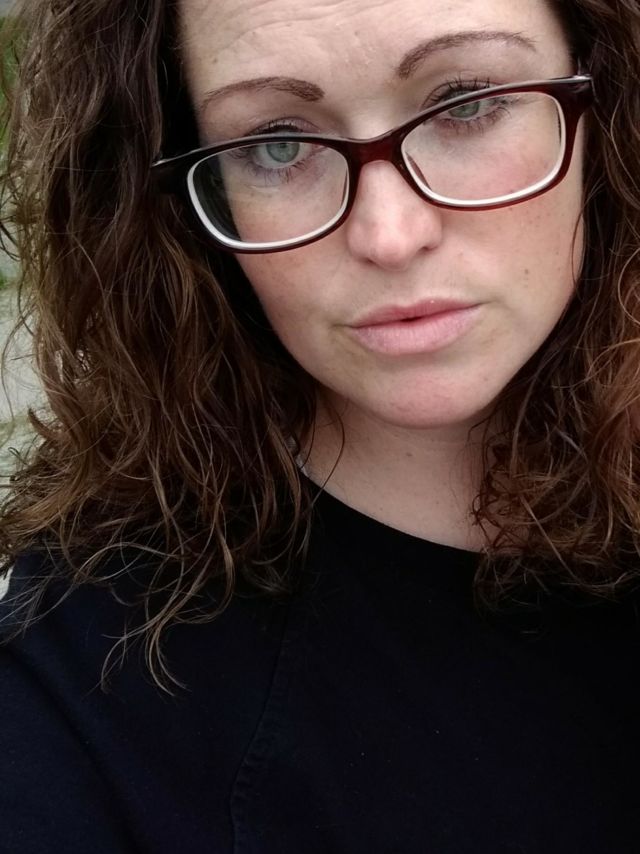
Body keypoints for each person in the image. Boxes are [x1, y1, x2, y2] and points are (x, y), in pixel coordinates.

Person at [1, 0, 640, 850]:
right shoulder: (99, 670)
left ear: (606, 96)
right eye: (277, 144)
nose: (389, 234)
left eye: (467, 102)